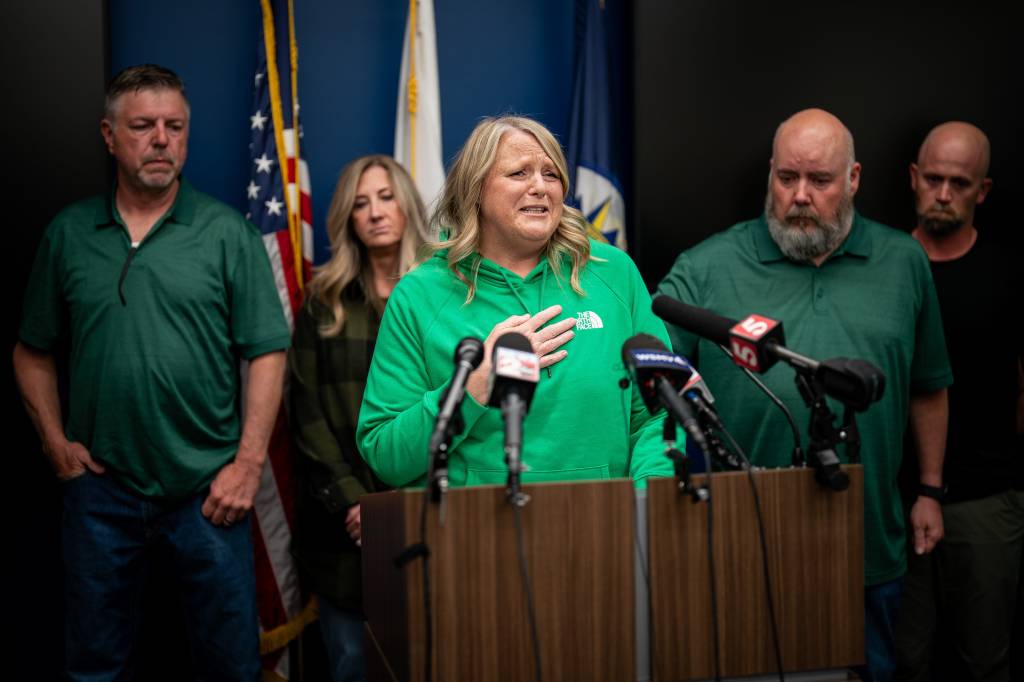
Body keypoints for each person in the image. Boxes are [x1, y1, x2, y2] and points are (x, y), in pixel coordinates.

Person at [12, 64, 290, 681]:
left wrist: (246, 466)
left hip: (208, 492)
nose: (162, 140)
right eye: (143, 126)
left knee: (230, 667)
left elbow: (268, 351)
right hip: (100, 492)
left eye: (175, 126)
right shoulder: (69, 234)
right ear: (110, 136)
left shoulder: (226, 234)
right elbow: (31, 351)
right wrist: (54, 443)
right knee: (94, 665)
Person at [656, 108, 952, 682]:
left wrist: (931, 489)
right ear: (770, 174)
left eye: (819, 181)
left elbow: (929, 388)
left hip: (869, 544)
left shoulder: (903, 262)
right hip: (745, 544)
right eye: (786, 178)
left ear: (854, 179)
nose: (799, 196)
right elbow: (645, 368)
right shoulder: (708, 266)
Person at [356, 115, 674, 489]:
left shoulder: (614, 273)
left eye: (551, 174)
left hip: (609, 528)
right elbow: (385, 454)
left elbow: (661, 413)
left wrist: (644, 501)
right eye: (519, 173)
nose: (540, 186)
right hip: (477, 534)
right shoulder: (419, 295)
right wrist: (475, 385)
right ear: (475, 189)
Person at [288, 155, 429, 682]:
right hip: (344, 533)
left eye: (385, 197)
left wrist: (399, 500)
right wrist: (357, 503)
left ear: (407, 205)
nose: (374, 213)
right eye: (360, 204)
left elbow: (456, 406)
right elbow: (308, 415)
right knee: (349, 664)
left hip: (427, 516)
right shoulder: (324, 301)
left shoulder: (444, 293)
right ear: (347, 218)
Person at [893, 122, 1024, 682]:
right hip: (895, 500)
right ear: (914, 179)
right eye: (935, 179)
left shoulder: (1007, 274)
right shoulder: (887, 270)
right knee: (900, 658)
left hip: (986, 497)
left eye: (960, 183)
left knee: (984, 658)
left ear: (983, 191)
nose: (944, 194)